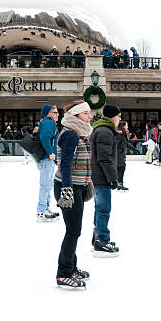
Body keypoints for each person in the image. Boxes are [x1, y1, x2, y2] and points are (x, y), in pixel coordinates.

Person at [53, 100, 93, 289]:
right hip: (68, 187)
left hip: (77, 186)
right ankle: (64, 273)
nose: (90, 116)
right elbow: (66, 165)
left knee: (74, 230)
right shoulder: (70, 135)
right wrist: (67, 190)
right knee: (73, 231)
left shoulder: (79, 134)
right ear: (76, 116)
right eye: (86, 113)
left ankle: (71, 267)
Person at [90, 104, 121, 257]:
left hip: (97, 176)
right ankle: (102, 241)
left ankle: (97, 237)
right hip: (101, 177)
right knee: (104, 210)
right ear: (112, 116)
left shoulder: (101, 129)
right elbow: (104, 158)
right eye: (119, 116)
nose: (120, 119)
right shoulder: (105, 132)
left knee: (99, 208)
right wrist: (113, 178)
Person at [36, 105, 60, 221]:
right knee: (45, 185)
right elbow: (44, 137)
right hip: (46, 158)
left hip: (47, 158)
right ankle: (41, 211)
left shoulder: (49, 123)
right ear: (48, 114)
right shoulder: (48, 123)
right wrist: (50, 152)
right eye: (55, 112)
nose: (57, 114)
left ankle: (46, 207)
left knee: (47, 185)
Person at [115, 121, 130, 191]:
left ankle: (118, 182)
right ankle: (119, 183)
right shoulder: (119, 134)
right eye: (126, 125)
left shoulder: (123, 134)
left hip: (121, 153)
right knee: (121, 167)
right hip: (118, 154)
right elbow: (115, 145)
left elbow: (126, 143)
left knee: (120, 167)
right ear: (123, 126)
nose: (127, 126)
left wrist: (134, 149)